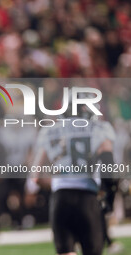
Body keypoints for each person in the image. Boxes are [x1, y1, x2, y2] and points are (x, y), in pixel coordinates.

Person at [32, 91, 116, 255]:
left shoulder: (50, 130)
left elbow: (36, 176)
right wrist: (108, 196)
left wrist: (61, 182)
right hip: (87, 197)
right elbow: (109, 168)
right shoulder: (100, 129)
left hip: (60, 199)